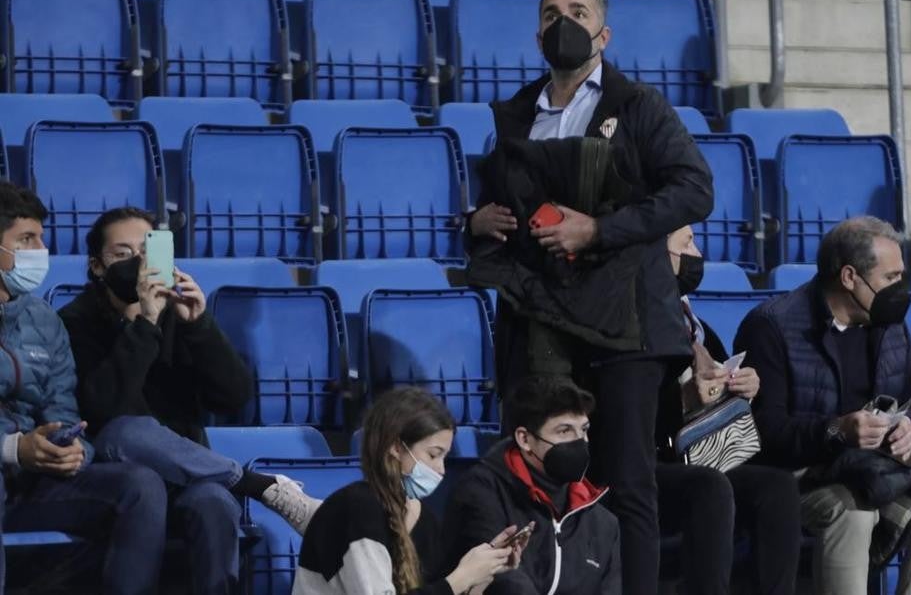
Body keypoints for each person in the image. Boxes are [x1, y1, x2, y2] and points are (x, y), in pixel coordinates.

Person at [469, 0, 713, 593]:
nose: (564, 24)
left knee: (628, 483)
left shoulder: (640, 108)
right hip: (546, 319)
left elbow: (694, 188)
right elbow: (504, 205)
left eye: (577, 12)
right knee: (536, 474)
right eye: (551, 15)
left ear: (603, 34)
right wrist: (477, 219)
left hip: (628, 320)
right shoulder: (517, 114)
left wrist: (598, 230)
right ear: (538, 36)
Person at [57, 206, 321, 595]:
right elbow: (103, 408)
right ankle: (259, 485)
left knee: (214, 501)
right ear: (97, 267)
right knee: (128, 429)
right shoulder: (73, 322)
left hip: (189, 475)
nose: (137, 263)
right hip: (115, 476)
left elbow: (234, 397)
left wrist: (199, 327)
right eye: (122, 254)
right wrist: (144, 326)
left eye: (145, 252)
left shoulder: (178, 316)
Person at [734, 216, 911, 595]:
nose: (900, 290)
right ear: (849, 277)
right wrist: (837, 430)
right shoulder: (772, 326)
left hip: (874, 471)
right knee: (853, 513)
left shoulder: (890, 325)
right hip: (804, 476)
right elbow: (764, 431)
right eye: (890, 278)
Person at [0, 182, 168, 594]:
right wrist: (13, 448)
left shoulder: (44, 320)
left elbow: (64, 407)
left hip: (35, 480)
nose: (40, 250)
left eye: (41, 238)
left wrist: (71, 449)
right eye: (26, 239)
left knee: (140, 486)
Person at [654, 226, 801, 595]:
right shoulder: (640, 319)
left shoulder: (694, 323)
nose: (698, 253)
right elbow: (632, 410)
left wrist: (743, 387)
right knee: (711, 487)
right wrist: (684, 399)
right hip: (650, 461)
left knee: (778, 486)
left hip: (702, 453)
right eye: (686, 244)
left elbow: (718, 375)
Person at [296, 387, 524, 595]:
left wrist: (486, 569)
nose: (441, 469)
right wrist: (460, 578)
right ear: (396, 447)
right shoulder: (358, 510)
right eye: (433, 455)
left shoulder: (425, 519)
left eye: (444, 457)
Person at [442, 375, 620, 594]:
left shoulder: (603, 524)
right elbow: (503, 582)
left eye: (583, 430)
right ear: (524, 439)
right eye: (564, 431)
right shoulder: (481, 492)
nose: (579, 442)